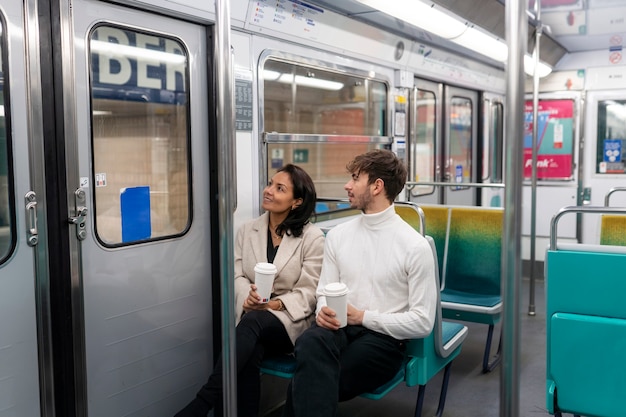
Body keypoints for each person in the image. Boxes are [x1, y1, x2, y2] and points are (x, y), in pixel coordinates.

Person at [282, 149, 438, 417]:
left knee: (314, 376)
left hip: (383, 340)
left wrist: (363, 317)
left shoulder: (414, 246)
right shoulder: (339, 236)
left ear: (377, 186)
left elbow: (423, 321)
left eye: (355, 178)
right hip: (339, 327)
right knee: (310, 341)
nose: (347, 185)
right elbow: (324, 292)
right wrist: (323, 311)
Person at [175, 164, 324, 417]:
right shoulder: (248, 230)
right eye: (269, 184)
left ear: (296, 202)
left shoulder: (312, 238)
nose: (268, 191)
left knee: (252, 322)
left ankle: (201, 404)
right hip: (253, 316)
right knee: (250, 350)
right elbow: (236, 275)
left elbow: (310, 292)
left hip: (290, 321)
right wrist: (249, 298)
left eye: (280, 189)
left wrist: (272, 305)